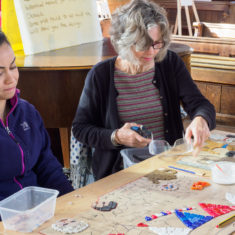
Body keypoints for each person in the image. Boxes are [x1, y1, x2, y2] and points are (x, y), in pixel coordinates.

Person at [72, 0, 216, 180]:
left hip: (167, 166)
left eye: (157, 44)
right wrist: (116, 136)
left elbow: (201, 105)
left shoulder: (169, 63)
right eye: (142, 45)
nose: (151, 52)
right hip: (120, 172)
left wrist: (201, 119)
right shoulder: (100, 75)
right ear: (123, 41)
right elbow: (80, 129)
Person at [0, 31, 74, 202]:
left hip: (38, 213)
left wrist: (73, 201)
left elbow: (47, 166)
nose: (11, 79)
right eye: (0, 72)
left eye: (12, 67)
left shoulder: (27, 112)